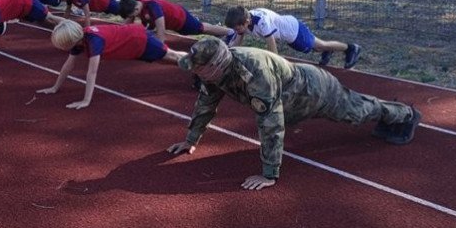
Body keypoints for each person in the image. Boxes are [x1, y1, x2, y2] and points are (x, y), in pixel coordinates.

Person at [166, 38, 420, 191]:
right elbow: (206, 103)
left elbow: (271, 124)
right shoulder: (213, 73)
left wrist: (269, 174)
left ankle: (405, 114)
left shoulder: (255, 75)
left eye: (198, 69)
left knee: (357, 112)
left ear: (215, 66)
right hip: (291, 98)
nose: (194, 73)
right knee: (356, 109)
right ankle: (396, 111)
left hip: (315, 91)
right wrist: (191, 140)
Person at [37, 20, 184, 109]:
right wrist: (54, 88)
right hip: (133, 45)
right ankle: (198, 63)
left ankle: (202, 62)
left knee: (173, 57)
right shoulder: (80, 39)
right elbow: (68, 66)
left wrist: (86, 100)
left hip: (139, 41)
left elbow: (92, 72)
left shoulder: (94, 41)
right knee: (171, 59)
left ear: (71, 41)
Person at [224, 5, 361, 69]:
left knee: (319, 45)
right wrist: (227, 55)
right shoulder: (243, 20)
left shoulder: (261, 22)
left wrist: (275, 67)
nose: (236, 31)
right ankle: (328, 50)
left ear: (246, 22)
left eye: (237, 28)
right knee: (316, 47)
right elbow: (237, 41)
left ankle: (350, 48)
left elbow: (272, 47)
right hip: (287, 33)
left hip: (293, 31)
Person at [119, 0, 232, 46]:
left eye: (132, 15)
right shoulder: (136, 2)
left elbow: (161, 35)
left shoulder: (153, 8)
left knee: (200, 28)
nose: (132, 18)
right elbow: (126, 24)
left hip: (180, 19)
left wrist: (154, 50)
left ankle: (229, 32)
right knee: (200, 27)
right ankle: (221, 33)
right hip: (173, 18)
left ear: (136, 9)